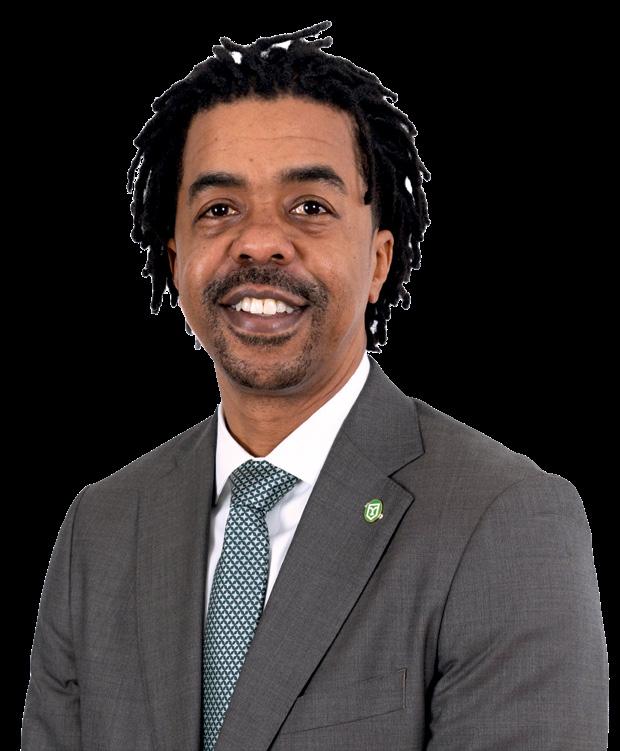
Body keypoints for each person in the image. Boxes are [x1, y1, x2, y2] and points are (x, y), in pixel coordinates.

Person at [21, 20, 608, 751]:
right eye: (219, 209)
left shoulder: (504, 520)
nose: (261, 242)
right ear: (175, 261)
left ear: (379, 261)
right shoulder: (101, 528)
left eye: (310, 207)